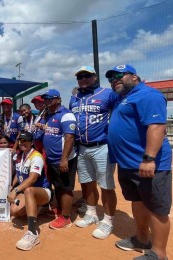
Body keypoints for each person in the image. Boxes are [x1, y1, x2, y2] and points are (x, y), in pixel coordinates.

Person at [106, 64, 172, 260]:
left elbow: (157, 126)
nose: (114, 80)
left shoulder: (148, 94)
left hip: (149, 164)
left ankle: (159, 254)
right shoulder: (122, 98)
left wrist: (149, 158)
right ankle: (142, 239)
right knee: (138, 202)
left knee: (156, 208)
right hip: (127, 164)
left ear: (134, 77)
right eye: (110, 78)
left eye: (119, 75)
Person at [69, 66, 118, 239]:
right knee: (87, 183)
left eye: (86, 76)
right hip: (82, 147)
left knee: (106, 186)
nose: (83, 79)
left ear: (95, 77)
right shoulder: (75, 97)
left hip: (102, 146)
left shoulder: (107, 93)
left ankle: (108, 221)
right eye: (79, 77)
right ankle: (91, 213)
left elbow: (121, 111)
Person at [36, 89, 77, 230]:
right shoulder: (48, 115)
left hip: (63, 159)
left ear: (58, 99)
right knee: (57, 186)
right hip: (52, 158)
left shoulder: (66, 114)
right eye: (45, 98)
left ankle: (65, 218)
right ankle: (60, 210)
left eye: (49, 98)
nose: (46, 100)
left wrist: (64, 159)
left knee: (65, 188)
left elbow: (70, 137)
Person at [7, 131, 51, 251]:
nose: (22, 143)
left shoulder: (36, 157)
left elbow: (32, 179)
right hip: (27, 191)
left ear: (31, 142)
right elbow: (19, 173)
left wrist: (15, 191)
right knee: (15, 211)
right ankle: (40, 209)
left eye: (25, 140)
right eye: (20, 141)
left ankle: (33, 233)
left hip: (43, 191)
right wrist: (12, 186)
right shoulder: (20, 156)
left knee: (28, 190)